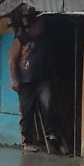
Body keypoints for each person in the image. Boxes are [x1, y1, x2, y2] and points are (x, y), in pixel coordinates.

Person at [10, 14, 55, 153]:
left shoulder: (44, 39)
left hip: (41, 79)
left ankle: (51, 134)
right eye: (41, 24)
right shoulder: (21, 39)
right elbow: (12, 60)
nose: (43, 27)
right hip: (25, 82)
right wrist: (15, 79)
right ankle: (27, 140)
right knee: (26, 111)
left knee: (48, 104)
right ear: (34, 24)